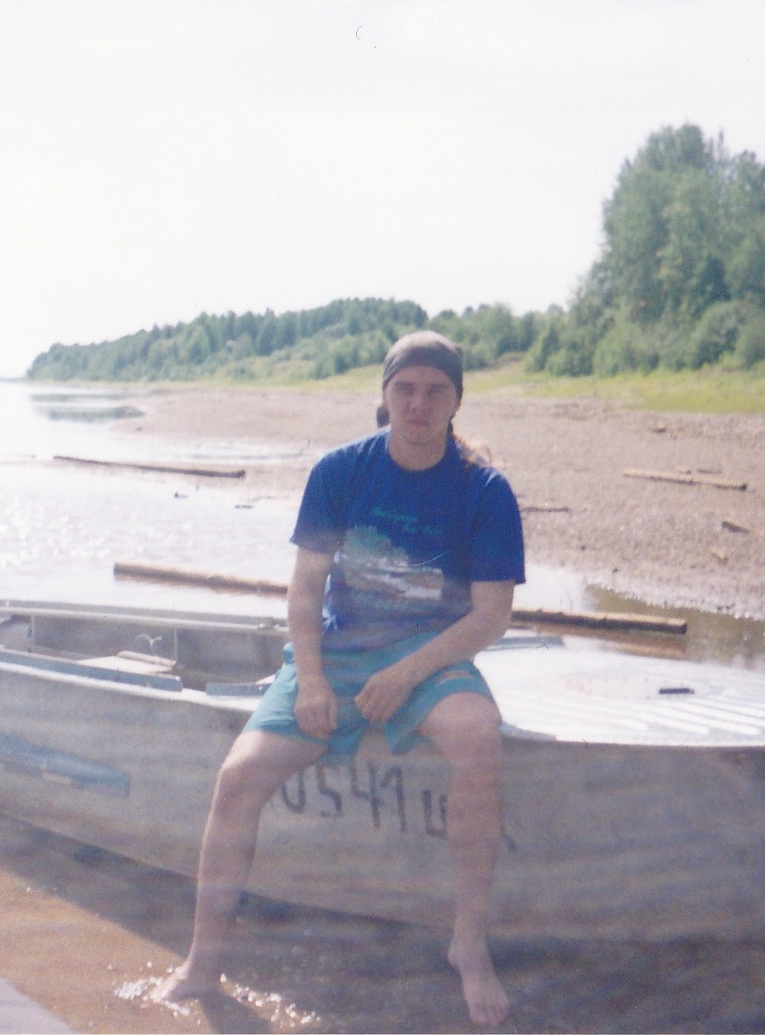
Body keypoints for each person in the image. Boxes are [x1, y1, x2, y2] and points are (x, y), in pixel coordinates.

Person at [155, 331, 525, 1026]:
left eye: (435, 391)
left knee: (478, 736)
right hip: (336, 650)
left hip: (429, 655)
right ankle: (203, 960)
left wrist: (407, 673)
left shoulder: (484, 491)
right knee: (237, 777)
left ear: (456, 400)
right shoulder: (341, 471)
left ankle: (469, 945)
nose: (418, 404)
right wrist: (313, 681)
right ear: (385, 395)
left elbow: (490, 617)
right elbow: (304, 591)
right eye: (404, 389)